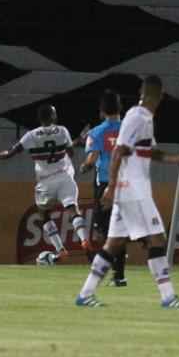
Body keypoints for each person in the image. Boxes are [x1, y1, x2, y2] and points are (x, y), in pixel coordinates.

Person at [74, 75, 179, 309]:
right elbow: (118, 152)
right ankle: (168, 297)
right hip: (133, 190)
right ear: (159, 94)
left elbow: (150, 152)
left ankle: (85, 294)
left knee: (112, 244)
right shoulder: (136, 117)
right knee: (157, 239)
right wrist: (111, 188)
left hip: (129, 190)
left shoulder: (145, 118)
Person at [0, 104, 88, 264]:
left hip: (45, 182)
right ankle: (84, 239)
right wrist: (76, 142)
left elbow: (10, 153)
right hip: (64, 177)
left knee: (43, 214)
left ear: (40, 119)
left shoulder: (31, 136)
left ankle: (60, 249)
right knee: (72, 209)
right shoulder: (62, 130)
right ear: (53, 117)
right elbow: (71, 153)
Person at [79, 89, 125, 284]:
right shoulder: (129, 129)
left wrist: (83, 166)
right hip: (127, 184)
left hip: (105, 184)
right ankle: (119, 275)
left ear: (101, 110)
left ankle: (101, 270)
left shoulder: (96, 132)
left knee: (102, 231)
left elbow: (91, 159)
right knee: (119, 229)